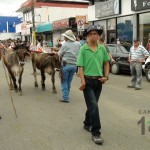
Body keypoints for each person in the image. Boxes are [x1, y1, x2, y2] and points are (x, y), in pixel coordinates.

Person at [76, 25, 110, 144]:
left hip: (99, 81)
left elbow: (106, 63)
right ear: (88, 35)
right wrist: (83, 81)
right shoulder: (83, 49)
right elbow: (80, 66)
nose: (94, 36)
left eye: (96, 34)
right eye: (92, 34)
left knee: (92, 105)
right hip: (88, 81)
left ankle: (87, 123)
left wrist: (106, 76)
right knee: (94, 106)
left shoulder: (102, 48)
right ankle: (96, 133)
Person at [58, 30, 80, 103]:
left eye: (65, 36)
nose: (64, 37)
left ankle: (66, 97)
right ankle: (67, 95)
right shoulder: (78, 44)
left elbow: (59, 54)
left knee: (64, 81)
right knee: (69, 82)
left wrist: (57, 52)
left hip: (65, 65)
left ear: (67, 37)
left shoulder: (65, 44)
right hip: (74, 66)